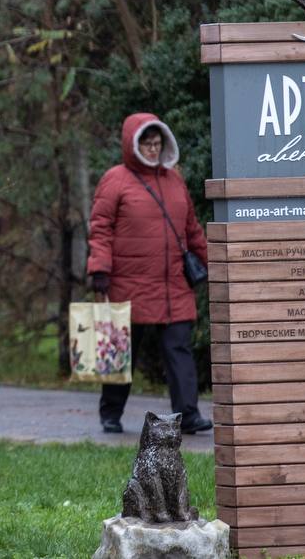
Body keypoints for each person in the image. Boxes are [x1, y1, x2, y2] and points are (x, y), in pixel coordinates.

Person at [86, 112, 211, 435]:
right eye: (147, 143)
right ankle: (110, 414)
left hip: (173, 283)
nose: (153, 150)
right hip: (130, 282)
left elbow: (191, 228)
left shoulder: (174, 179)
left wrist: (211, 260)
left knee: (179, 348)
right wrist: (99, 267)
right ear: (133, 144)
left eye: (157, 143)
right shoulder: (115, 179)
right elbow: (100, 228)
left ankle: (188, 414)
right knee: (120, 350)